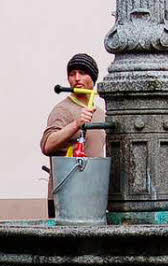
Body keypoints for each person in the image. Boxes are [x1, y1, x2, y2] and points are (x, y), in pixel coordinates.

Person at [41, 53, 107, 217]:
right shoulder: (62, 110)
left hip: (92, 194)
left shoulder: (101, 113)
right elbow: (47, 145)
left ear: (93, 78)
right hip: (65, 196)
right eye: (72, 74)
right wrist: (76, 124)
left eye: (83, 73)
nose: (76, 78)